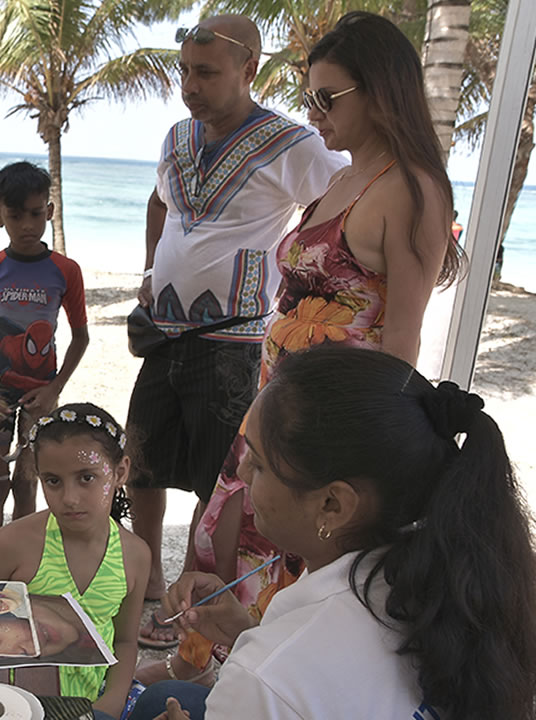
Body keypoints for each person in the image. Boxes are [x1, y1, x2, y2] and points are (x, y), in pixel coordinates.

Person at [144, 10, 467, 685]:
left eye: (329, 98)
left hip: (327, 423)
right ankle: (198, 665)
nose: (315, 112)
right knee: (219, 537)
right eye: (309, 97)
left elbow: (403, 333)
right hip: (277, 401)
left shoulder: (411, 190)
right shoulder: (343, 178)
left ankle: (243, 679)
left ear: (380, 93)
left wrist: (358, 445)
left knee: (283, 562)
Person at [132, 346, 536, 720]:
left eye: (257, 461)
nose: (240, 473)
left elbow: (288, 685)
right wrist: (250, 637)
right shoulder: (453, 578)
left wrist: (262, 657)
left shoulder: (264, 680)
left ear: (333, 505)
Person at [128, 15, 346, 648]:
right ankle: (148, 588)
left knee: (215, 482)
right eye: (184, 73)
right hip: (165, 332)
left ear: (250, 68)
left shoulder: (294, 144)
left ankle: (200, 604)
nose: (190, 87)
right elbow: (159, 199)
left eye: (206, 73)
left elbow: (340, 208)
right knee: (143, 463)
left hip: (236, 340)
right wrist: (150, 265)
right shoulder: (176, 136)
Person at [0, 403, 148, 720]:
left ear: (120, 472)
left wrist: (109, 704)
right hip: (15, 704)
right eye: (53, 481)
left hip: (93, 705)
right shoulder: (11, 545)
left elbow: (124, 641)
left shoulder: (135, 556)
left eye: (86, 478)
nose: (69, 498)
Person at [0, 161, 89, 544]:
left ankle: (18, 566)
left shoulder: (66, 271)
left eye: (36, 214)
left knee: (27, 484)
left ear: (50, 212)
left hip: (41, 395)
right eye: (14, 215)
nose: (27, 225)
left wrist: (55, 388)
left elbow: (80, 337)